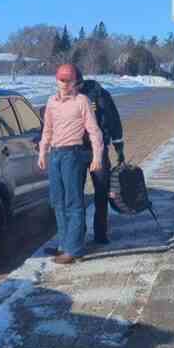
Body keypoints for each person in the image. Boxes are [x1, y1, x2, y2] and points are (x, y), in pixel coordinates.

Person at [38, 63, 104, 264]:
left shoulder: (82, 101)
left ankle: (74, 249)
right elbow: (47, 129)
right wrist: (43, 152)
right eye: (61, 80)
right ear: (56, 80)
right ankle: (63, 244)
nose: (65, 84)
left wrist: (97, 157)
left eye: (69, 80)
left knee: (73, 203)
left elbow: (94, 131)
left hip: (73, 155)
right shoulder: (51, 102)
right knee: (57, 201)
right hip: (56, 154)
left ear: (76, 82)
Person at [74, 65, 125, 244]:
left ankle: (101, 233)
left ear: (79, 82)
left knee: (101, 192)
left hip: (99, 150)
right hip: (76, 150)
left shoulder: (100, 95)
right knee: (76, 194)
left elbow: (113, 120)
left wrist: (119, 147)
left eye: (73, 83)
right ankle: (78, 234)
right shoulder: (66, 97)